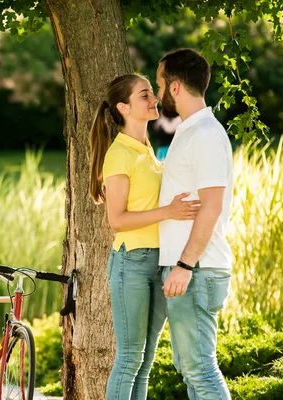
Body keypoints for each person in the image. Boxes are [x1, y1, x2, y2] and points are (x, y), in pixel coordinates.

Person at [88, 73, 200, 400]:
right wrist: (169, 212)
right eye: (144, 95)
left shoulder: (147, 148)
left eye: (152, 92)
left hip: (158, 261)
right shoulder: (120, 154)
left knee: (145, 360)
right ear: (123, 107)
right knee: (129, 359)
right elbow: (117, 220)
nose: (154, 99)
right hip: (131, 263)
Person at [155, 48, 234, 399]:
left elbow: (212, 206)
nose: (157, 94)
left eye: (159, 85)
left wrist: (185, 265)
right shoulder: (190, 132)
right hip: (190, 270)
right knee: (191, 371)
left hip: (197, 271)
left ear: (174, 87)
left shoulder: (204, 134)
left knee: (201, 372)